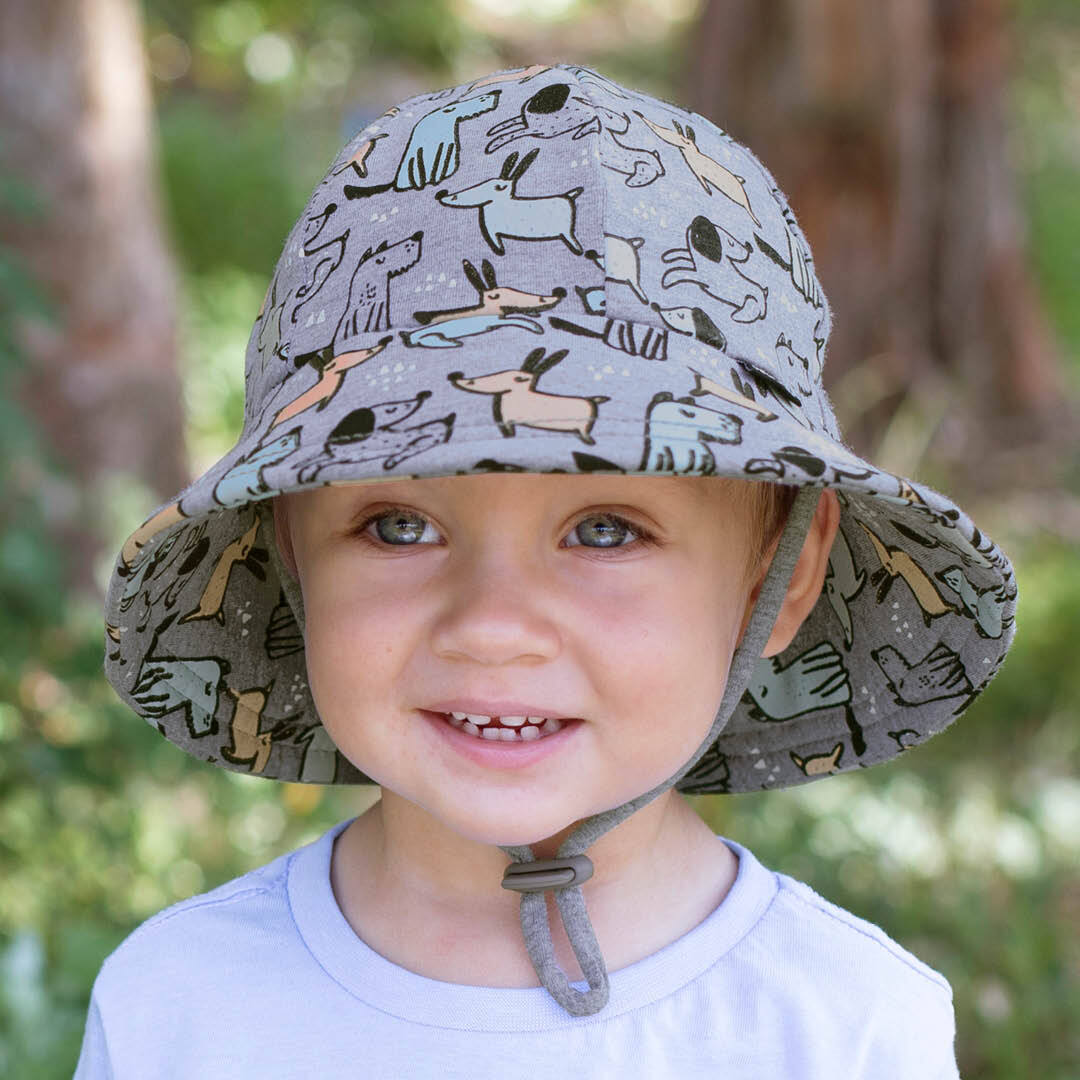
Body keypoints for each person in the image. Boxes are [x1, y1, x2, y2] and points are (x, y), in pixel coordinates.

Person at [75, 63, 1017, 1078]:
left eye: (606, 531)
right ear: (289, 550)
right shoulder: (177, 1009)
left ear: (779, 577)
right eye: (397, 525)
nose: (493, 625)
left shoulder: (845, 1029)